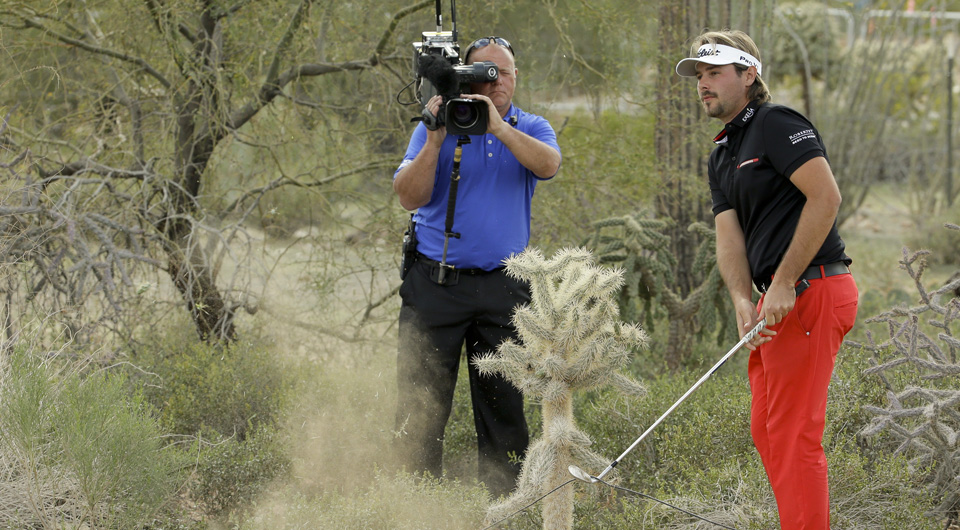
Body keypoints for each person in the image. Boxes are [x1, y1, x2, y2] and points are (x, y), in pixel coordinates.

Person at [675, 30, 858, 530]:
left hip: (813, 287)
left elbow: (826, 199)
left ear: (748, 74)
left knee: (795, 434)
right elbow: (729, 237)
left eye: (714, 74)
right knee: (768, 430)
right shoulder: (721, 152)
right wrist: (740, 296)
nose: (703, 85)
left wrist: (781, 282)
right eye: (699, 76)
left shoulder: (778, 123)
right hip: (775, 303)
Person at [392, 35, 562, 497]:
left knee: (504, 410)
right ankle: (415, 505)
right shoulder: (437, 125)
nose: (495, 82)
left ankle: (507, 507)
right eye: (483, 73)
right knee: (418, 405)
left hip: (505, 290)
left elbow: (548, 165)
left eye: (503, 73)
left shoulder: (530, 126)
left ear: (515, 77)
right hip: (435, 285)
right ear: (463, 78)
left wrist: (498, 128)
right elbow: (409, 195)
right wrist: (434, 139)